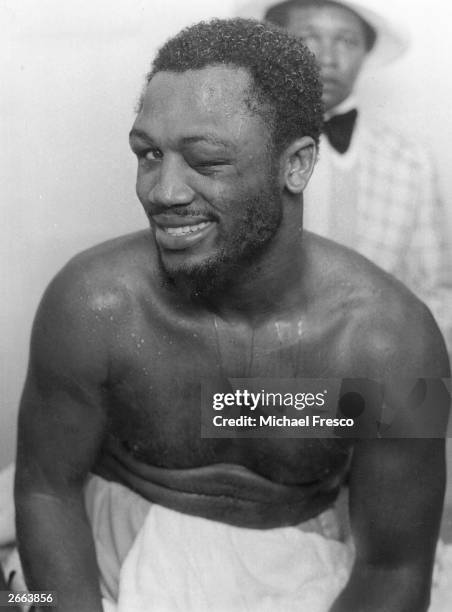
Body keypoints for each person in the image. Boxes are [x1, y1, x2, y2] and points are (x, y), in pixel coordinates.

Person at [14, 17, 450, 612]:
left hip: (307, 569)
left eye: (207, 161)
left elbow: (395, 567)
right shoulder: (91, 304)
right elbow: (45, 491)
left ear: (295, 164)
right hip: (102, 560)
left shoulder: (397, 344)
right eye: (148, 154)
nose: (162, 191)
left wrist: (282, 404)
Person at [255, 0, 452, 361]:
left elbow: (437, 295)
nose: (328, 57)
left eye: (346, 41)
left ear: (366, 52)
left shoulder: (410, 163)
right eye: (309, 36)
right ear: (277, 43)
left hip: (378, 371)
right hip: (262, 374)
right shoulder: (246, 149)